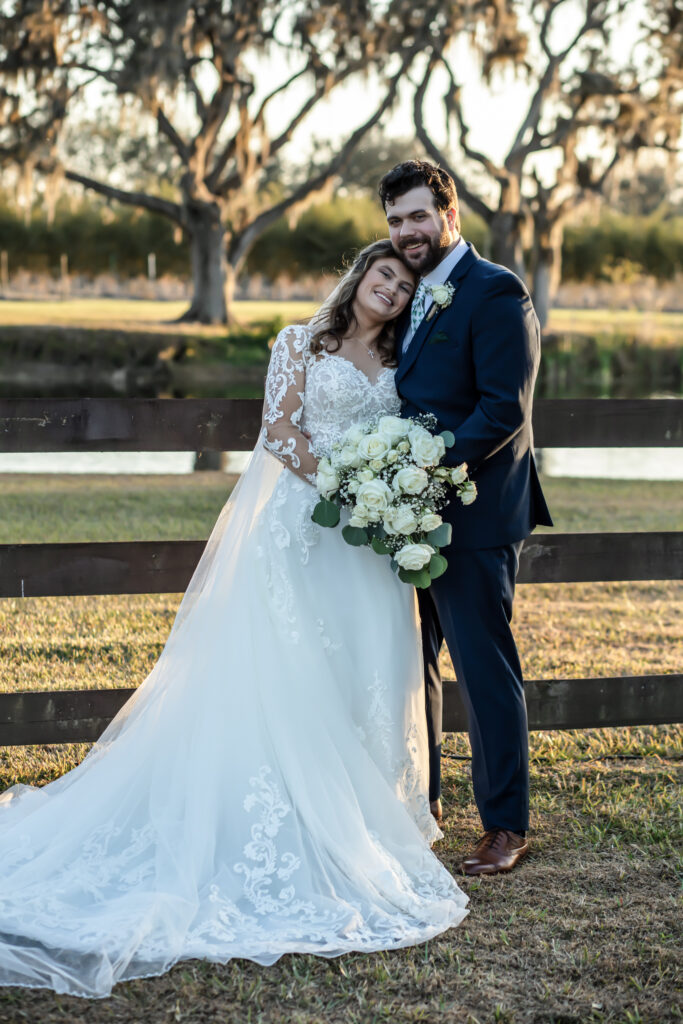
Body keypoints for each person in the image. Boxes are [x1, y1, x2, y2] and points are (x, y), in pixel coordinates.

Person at [0, 239, 468, 999]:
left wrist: (388, 494)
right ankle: (281, 823)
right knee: (284, 672)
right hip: (298, 529)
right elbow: (278, 432)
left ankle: (361, 823)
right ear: (360, 277)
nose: (390, 290)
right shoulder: (298, 341)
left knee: (362, 667)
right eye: (383, 275)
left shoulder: (403, 358)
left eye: (404, 287)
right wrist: (346, 484)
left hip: (366, 544)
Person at [379, 161, 553, 876]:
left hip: (474, 516)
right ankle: (424, 804)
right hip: (405, 518)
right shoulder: (411, 291)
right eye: (393, 222)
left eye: (417, 217)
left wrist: (428, 469)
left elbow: (502, 410)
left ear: (447, 213)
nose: (405, 233)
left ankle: (504, 825)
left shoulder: (495, 290)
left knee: (484, 671)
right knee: (411, 664)